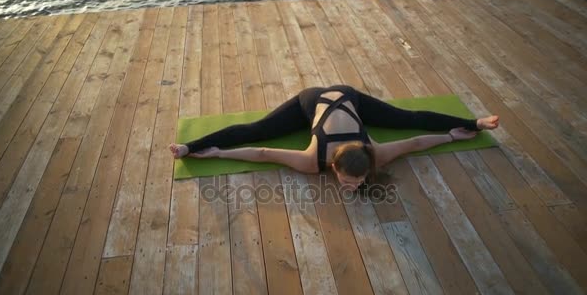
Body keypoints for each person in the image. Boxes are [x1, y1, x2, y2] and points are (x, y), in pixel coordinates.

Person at [169, 85, 499, 191]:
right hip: (312, 101)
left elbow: (414, 140)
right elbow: (262, 151)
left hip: (349, 95)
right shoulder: (313, 160)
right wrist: (211, 153)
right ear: (334, 166)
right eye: (348, 181)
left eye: (355, 182)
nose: (351, 186)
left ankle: (478, 121)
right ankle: (187, 145)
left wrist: (455, 135)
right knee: (257, 127)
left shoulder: (375, 154)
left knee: (407, 119)